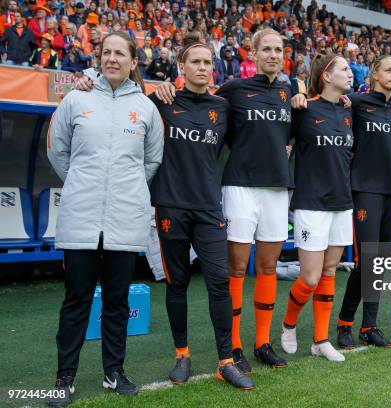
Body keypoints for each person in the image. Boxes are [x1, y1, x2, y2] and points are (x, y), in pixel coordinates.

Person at [151, 28, 308, 373]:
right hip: (239, 187)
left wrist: (309, 96)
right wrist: (165, 86)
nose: (272, 54)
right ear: (252, 53)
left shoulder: (290, 92)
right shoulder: (232, 91)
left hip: (278, 190)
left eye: (278, 49)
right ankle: (234, 347)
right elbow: (199, 105)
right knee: (234, 269)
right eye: (265, 49)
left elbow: (296, 131)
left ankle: (262, 343)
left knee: (267, 267)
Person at [47, 31, 164, 407]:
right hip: (81, 217)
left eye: (120, 53)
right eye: (106, 52)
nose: (112, 59)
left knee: (116, 300)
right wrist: (85, 183)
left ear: (133, 61)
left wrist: (123, 189)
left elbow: (152, 161)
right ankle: (64, 378)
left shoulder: (146, 108)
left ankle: (114, 372)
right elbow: (58, 153)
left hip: (125, 218)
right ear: (98, 58)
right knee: (76, 299)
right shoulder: (76, 99)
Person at [149, 34, 254, 390]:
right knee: (177, 283)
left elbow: (259, 131)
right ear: (181, 67)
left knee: (219, 282)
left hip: (209, 207)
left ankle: (226, 360)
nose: (202, 67)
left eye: (207, 62)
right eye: (195, 61)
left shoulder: (222, 107)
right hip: (171, 205)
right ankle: (182, 354)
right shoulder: (162, 100)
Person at [336, 55, 391, 349]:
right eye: (389, 70)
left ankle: (369, 326)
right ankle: (345, 323)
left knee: (379, 263)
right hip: (365, 190)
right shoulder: (356, 103)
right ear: (374, 74)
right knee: (365, 261)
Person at [280, 52, 354, 362]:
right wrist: (294, 95)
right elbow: (280, 137)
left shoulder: (350, 111)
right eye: (345, 69)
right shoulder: (304, 109)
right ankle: (288, 324)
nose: (351, 73)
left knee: (329, 272)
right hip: (311, 202)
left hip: (342, 202)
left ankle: (321, 340)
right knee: (309, 277)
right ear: (326, 75)